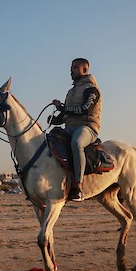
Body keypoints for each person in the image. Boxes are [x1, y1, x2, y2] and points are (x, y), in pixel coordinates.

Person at [50, 57, 101, 202]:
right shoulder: (71, 91)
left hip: (87, 127)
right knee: (50, 140)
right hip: (70, 127)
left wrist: (62, 107)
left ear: (85, 70)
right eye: (71, 67)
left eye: (75, 67)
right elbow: (67, 113)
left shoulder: (92, 89)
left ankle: (78, 185)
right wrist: (55, 120)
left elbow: (85, 110)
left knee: (76, 143)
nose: (71, 70)